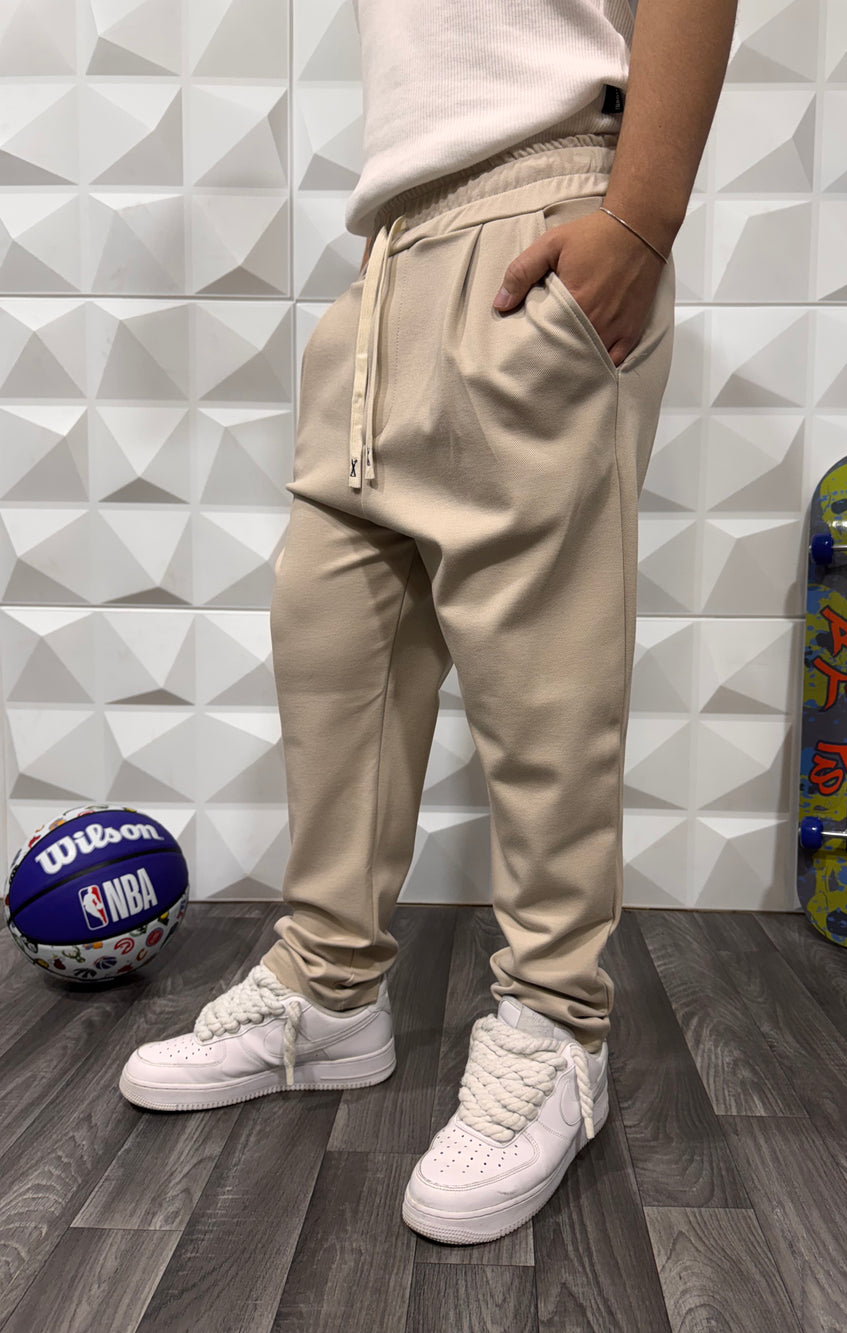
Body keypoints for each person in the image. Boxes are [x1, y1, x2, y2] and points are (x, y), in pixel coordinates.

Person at [120, 0, 738, 1245]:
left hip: (538, 216)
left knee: (542, 675)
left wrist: (638, 222)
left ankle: (556, 1027)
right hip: (389, 247)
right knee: (330, 636)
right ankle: (328, 991)